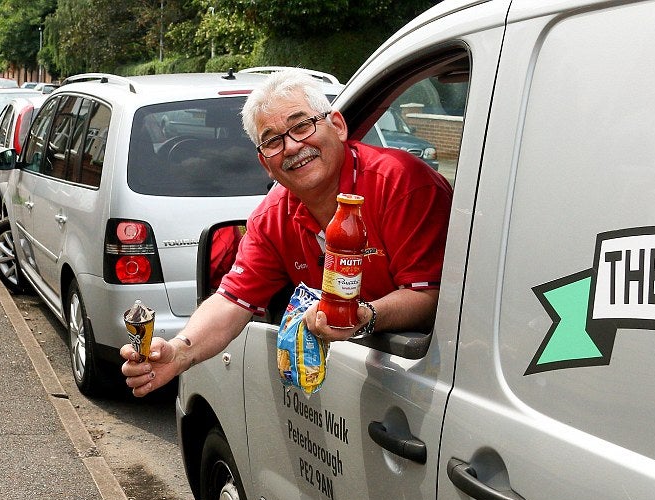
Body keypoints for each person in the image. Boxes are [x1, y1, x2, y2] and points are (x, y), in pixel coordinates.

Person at [120, 69, 452, 397]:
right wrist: (179, 352)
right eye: (273, 141)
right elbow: (231, 301)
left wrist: (365, 315)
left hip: (430, 376)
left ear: (336, 125)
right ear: (265, 163)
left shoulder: (401, 183)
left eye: (301, 126)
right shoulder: (272, 216)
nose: (292, 147)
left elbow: (433, 297)